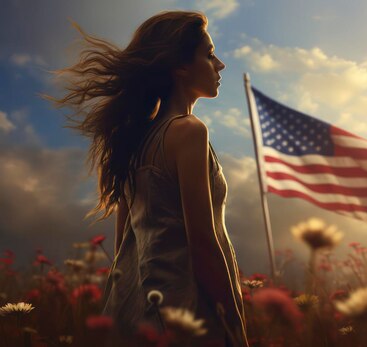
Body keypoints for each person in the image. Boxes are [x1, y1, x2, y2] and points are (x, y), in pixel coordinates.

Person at [39, 10, 249, 347]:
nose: (220, 64)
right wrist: (235, 327)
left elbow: (124, 245)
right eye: (209, 55)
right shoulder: (188, 131)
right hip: (182, 316)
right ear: (180, 66)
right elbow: (203, 243)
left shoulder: (135, 142)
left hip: (132, 315)